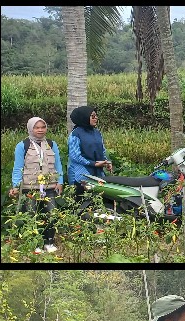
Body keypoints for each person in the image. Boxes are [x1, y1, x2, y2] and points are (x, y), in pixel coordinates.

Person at [9, 116, 63, 253]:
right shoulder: (22, 145)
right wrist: (16, 185)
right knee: (31, 215)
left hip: (49, 186)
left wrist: (60, 181)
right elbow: (17, 168)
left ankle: (49, 242)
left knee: (51, 214)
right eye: (37, 127)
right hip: (30, 187)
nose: (40, 130)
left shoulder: (51, 144)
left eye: (43, 127)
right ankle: (35, 244)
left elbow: (58, 165)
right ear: (30, 129)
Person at [67, 105, 112, 197]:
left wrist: (107, 162)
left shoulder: (96, 132)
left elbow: (102, 150)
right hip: (81, 175)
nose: (96, 118)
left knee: (99, 202)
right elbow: (75, 156)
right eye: (93, 116)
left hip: (98, 173)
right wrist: (93, 163)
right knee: (82, 203)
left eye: (96, 116)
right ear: (84, 117)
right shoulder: (76, 134)